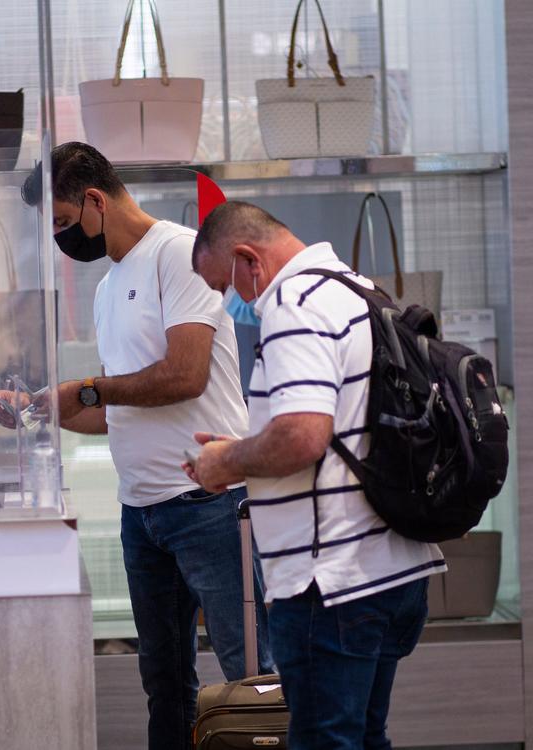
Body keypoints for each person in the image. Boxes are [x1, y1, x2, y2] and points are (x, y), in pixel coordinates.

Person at [0, 143, 272, 750]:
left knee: (251, 678)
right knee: (164, 685)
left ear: (96, 200)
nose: (63, 238)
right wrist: (47, 411)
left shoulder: (177, 253)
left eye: (65, 222)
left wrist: (87, 389)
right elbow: (120, 408)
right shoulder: (107, 287)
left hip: (209, 505)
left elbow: (184, 375)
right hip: (141, 514)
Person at [187, 201, 447, 750]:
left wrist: (224, 463)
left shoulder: (293, 301)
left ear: (247, 259)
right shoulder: (359, 290)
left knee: (324, 741)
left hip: (329, 584)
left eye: (223, 285)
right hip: (395, 569)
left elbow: (303, 435)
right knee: (364, 737)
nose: (232, 302)